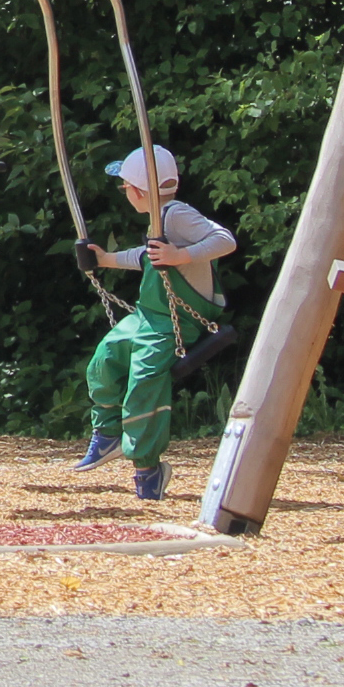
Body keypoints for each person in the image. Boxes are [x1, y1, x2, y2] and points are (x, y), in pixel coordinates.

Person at [75, 143, 234, 502]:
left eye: (124, 189)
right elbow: (148, 258)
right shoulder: (159, 219)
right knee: (105, 357)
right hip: (149, 316)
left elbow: (225, 240)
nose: (125, 195)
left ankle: (147, 468)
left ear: (138, 191)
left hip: (176, 320)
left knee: (144, 381)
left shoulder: (175, 214)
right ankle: (107, 434)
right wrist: (107, 259)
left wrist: (182, 255)